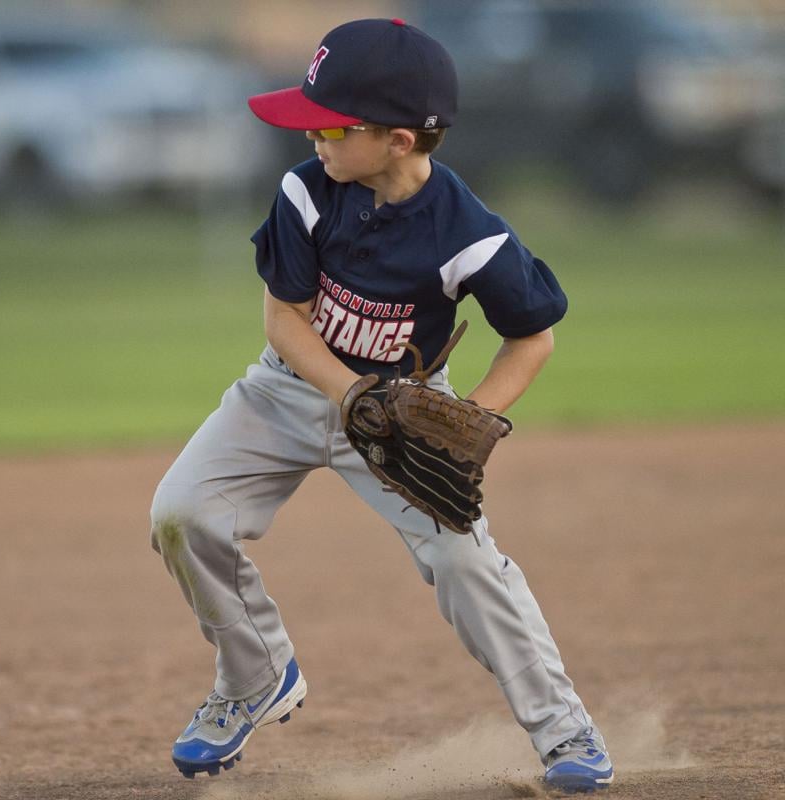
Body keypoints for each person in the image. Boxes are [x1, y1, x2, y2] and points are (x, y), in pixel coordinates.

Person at [148, 18, 614, 794]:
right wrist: (352, 394)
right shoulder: (306, 189)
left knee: (466, 561)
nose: (315, 138)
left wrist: (472, 427)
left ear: (398, 141)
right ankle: (254, 675)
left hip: (406, 415)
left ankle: (563, 726)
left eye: (331, 124)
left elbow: (533, 339)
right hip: (288, 389)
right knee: (181, 514)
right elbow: (284, 320)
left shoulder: (471, 237)